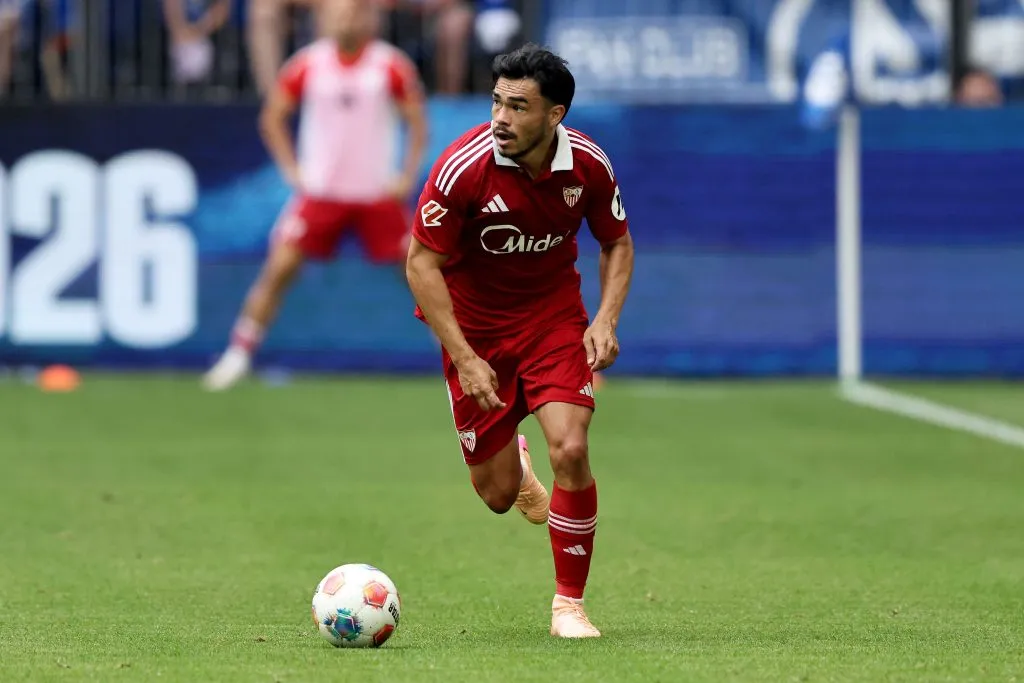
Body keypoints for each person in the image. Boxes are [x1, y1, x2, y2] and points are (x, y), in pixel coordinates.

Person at [405, 43, 634, 638]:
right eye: (496, 101)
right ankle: (519, 469)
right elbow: (421, 264)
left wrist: (604, 319)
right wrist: (464, 357)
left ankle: (568, 606)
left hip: (554, 322)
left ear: (554, 115)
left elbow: (617, 242)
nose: (500, 118)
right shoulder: (463, 167)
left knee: (573, 449)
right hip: (476, 335)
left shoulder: (587, 165)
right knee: (498, 494)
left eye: (518, 106)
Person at [203, 0, 427, 391]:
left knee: (423, 276)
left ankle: (461, 358)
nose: (346, 18)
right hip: (322, 194)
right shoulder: (307, 64)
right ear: (322, 19)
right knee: (278, 271)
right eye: (338, 12)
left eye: (354, 12)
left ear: (368, 18)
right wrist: (292, 171)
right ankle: (238, 354)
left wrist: (406, 176)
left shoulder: (390, 65)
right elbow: (272, 118)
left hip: (376, 194)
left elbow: (418, 123)